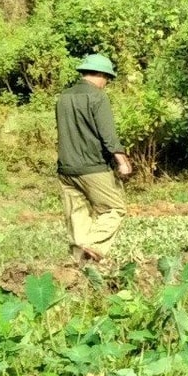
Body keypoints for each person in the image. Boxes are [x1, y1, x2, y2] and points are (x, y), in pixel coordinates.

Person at [55, 54, 133, 263]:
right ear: (100, 74)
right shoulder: (97, 97)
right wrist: (122, 162)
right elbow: (108, 135)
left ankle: (80, 263)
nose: (106, 84)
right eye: (107, 79)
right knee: (114, 209)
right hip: (94, 167)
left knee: (77, 215)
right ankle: (95, 245)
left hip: (66, 168)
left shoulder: (63, 97)